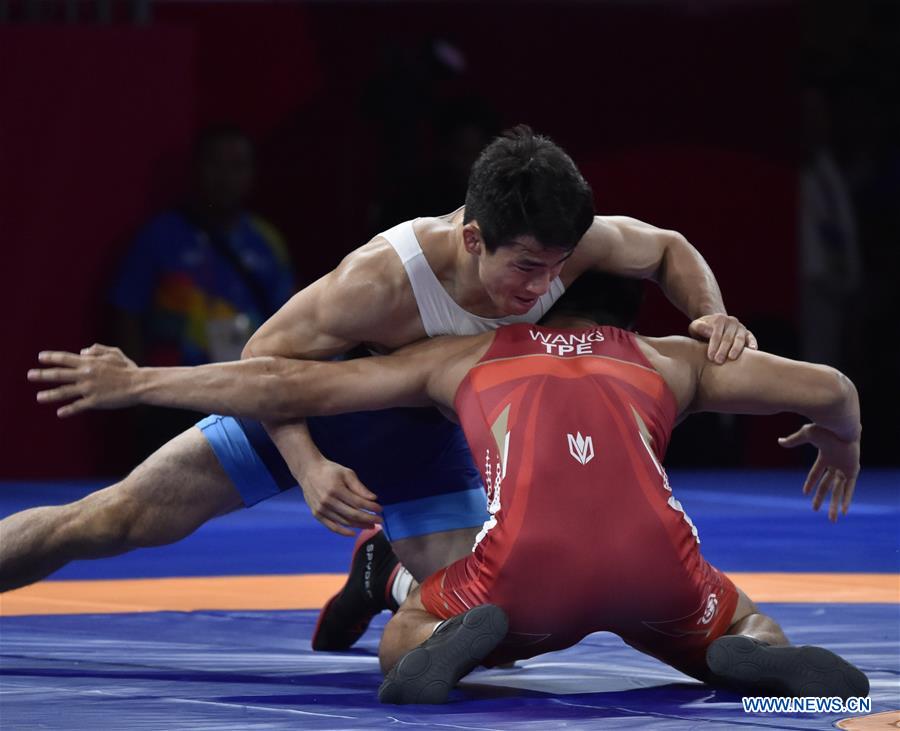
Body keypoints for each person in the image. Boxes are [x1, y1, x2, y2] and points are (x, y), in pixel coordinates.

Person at [3, 127, 754, 649]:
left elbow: (667, 249)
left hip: (426, 445)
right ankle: (380, 562)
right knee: (106, 522)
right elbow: (267, 357)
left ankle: (380, 572)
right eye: (526, 266)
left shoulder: (558, 238)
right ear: (470, 236)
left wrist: (711, 312)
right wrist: (309, 466)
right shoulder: (384, 278)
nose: (544, 286)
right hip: (309, 416)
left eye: (558, 267)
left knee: (496, 618)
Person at [25, 271, 866, 705]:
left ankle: (411, 625)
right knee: (733, 615)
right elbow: (830, 384)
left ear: (548, 291)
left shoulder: (469, 352)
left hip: (464, 502)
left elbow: (290, 386)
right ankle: (744, 656)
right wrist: (843, 436)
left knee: (434, 615)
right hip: (654, 567)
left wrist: (141, 383)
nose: (524, 284)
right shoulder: (666, 359)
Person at [110, 123, 294, 458]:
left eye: (237, 166)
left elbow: (291, 320)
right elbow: (128, 310)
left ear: (252, 174)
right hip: (171, 395)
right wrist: (136, 392)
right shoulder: (159, 236)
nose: (225, 176)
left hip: (244, 394)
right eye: (215, 164)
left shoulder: (267, 242)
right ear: (197, 168)